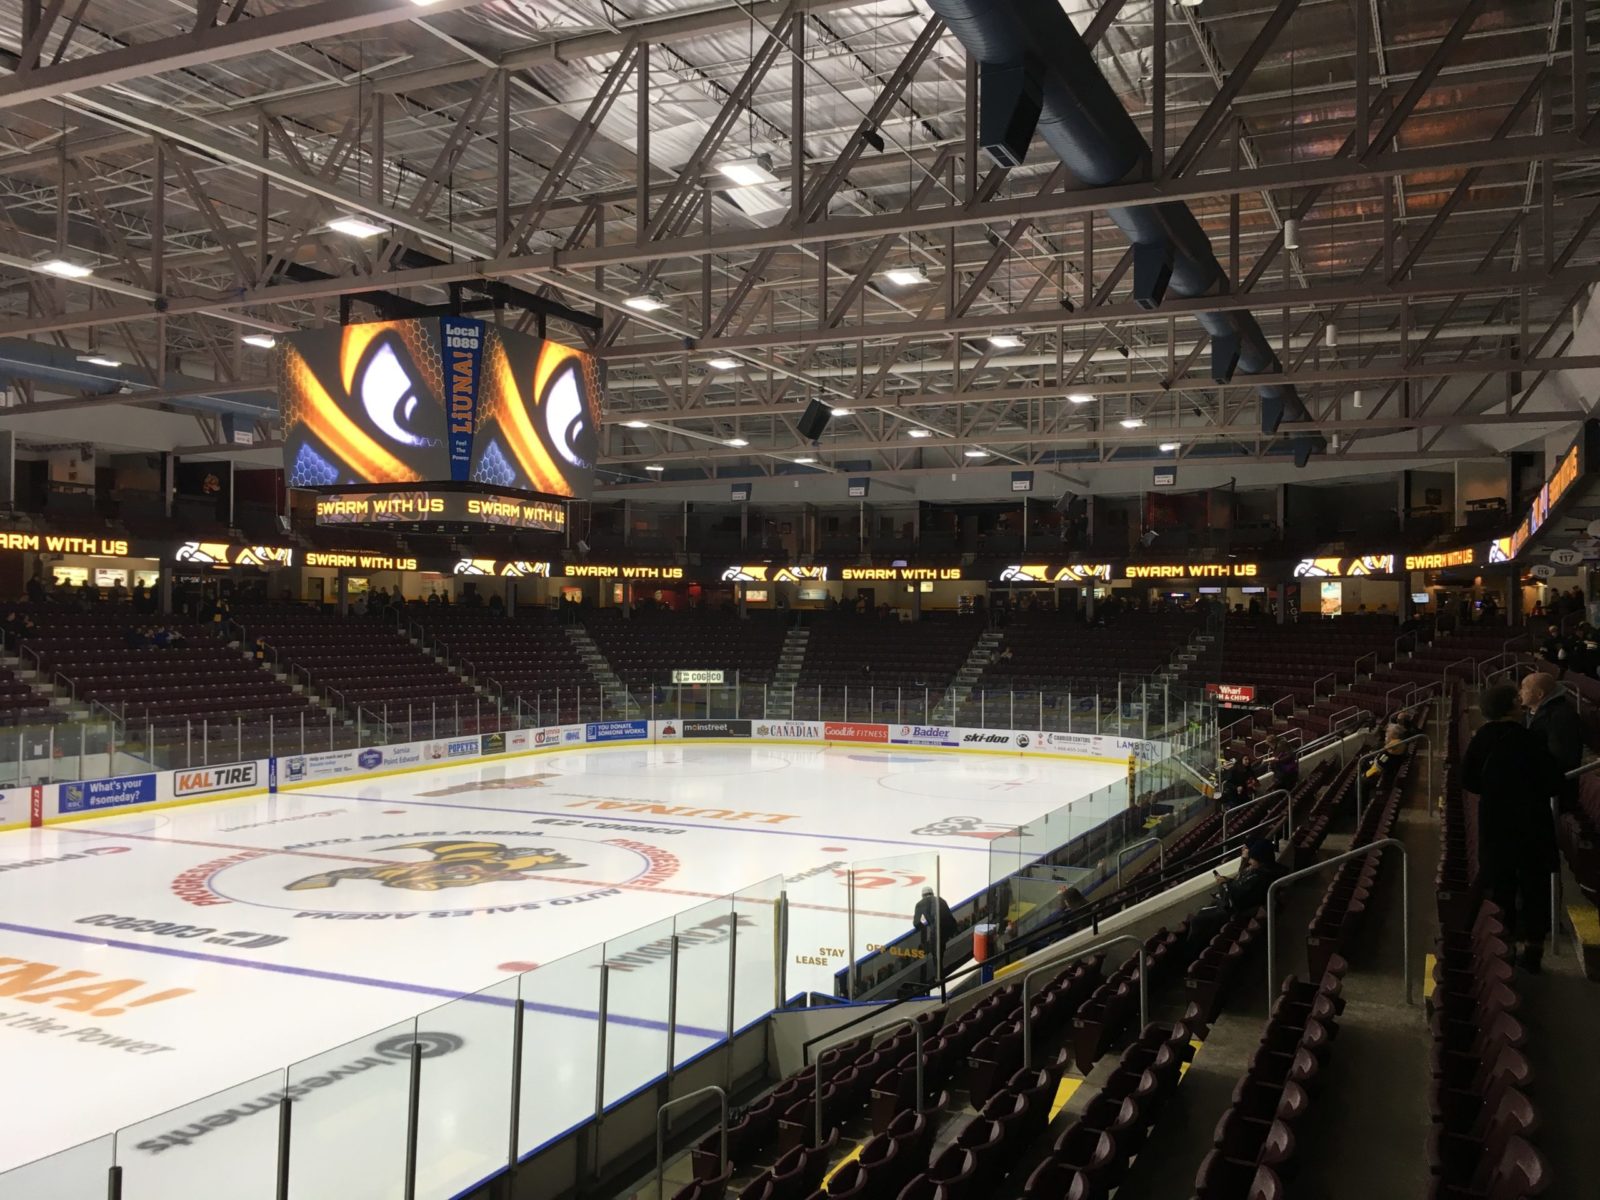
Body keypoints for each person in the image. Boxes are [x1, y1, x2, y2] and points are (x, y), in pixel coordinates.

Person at [1461, 683, 1563, 973]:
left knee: (1501, 884)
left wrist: (1494, 791)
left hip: (1496, 822)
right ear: (1511, 707)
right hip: (1532, 823)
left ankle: (1503, 947)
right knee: (1534, 884)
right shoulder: (1530, 739)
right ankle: (1534, 949)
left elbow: (1468, 779)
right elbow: (1553, 781)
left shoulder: (1482, 738)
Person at [1184, 839, 1284, 952]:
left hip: (1236, 912)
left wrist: (1223, 884)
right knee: (1202, 914)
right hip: (1240, 907)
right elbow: (1240, 885)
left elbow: (1232, 900)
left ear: (1260, 859)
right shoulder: (1262, 872)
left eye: (1252, 858)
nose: (1250, 861)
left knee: (1198, 920)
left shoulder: (1258, 876)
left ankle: (1191, 951)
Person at [1521, 671, 1583, 813]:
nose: (1520, 692)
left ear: (1540, 694)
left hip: (1551, 792)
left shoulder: (1561, 717)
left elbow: (1560, 759)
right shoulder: (1531, 712)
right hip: (1536, 785)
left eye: (1524, 688)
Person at [912, 886, 957, 977]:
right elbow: (949, 917)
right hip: (947, 929)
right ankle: (940, 974)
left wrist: (925, 928)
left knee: (936, 956)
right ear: (932, 894)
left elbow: (916, 923)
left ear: (922, 895)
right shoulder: (941, 900)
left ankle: (939, 977)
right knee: (940, 951)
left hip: (936, 931)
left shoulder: (920, 904)